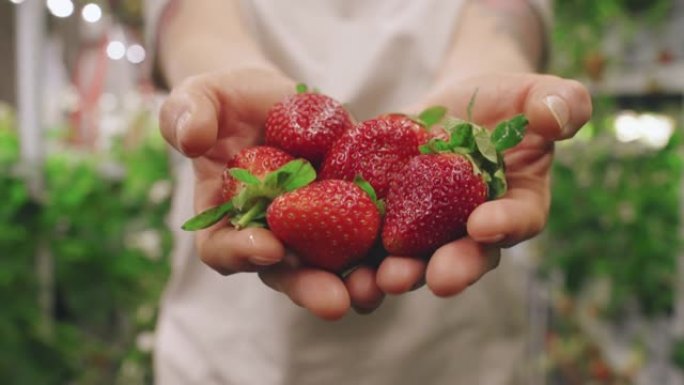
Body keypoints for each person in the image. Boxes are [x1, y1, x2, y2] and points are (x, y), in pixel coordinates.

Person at [146, 0, 592, 383]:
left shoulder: (432, 169)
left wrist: (491, 71)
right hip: (234, 346)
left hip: (452, 345)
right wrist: (223, 76)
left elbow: (504, 13)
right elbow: (190, 13)